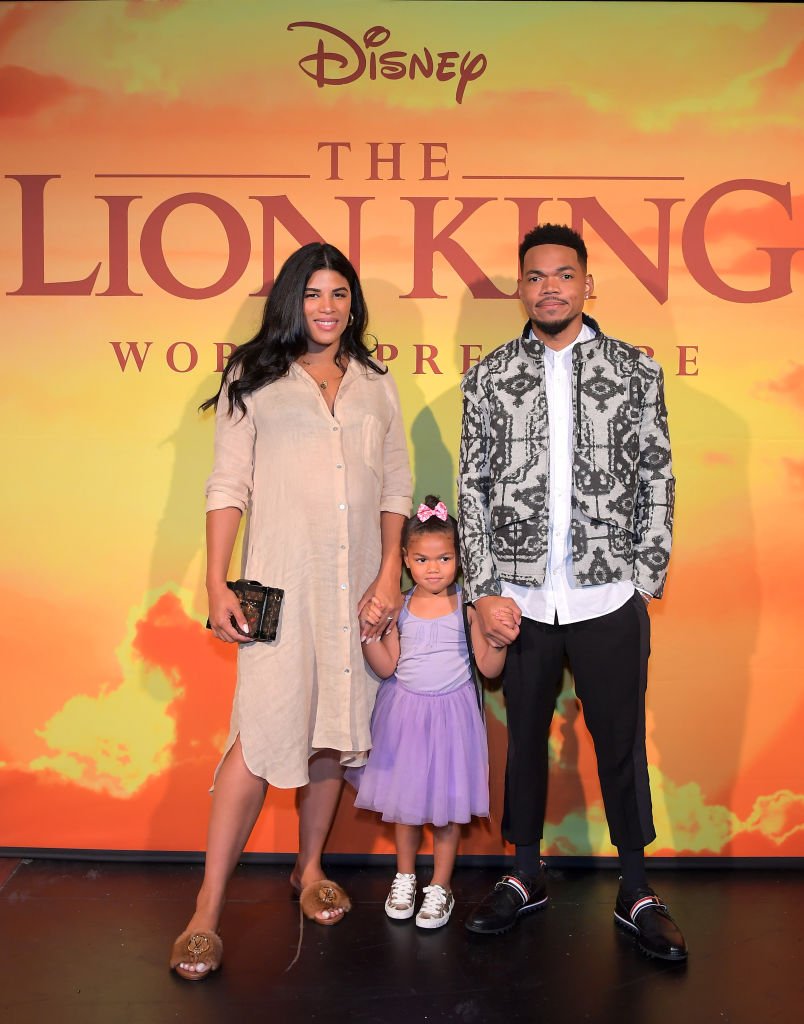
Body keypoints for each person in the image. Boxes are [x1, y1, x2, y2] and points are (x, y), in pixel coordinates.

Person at [169, 242, 412, 980]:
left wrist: (389, 573)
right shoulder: (255, 376)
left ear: (352, 304)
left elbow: (396, 485)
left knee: (334, 731)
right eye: (313, 294)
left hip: (357, 590)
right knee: (258, 731)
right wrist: (216, 582)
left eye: (339, 294)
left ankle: (308, 871)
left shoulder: (374, 381)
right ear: (290, 302)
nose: (327, 307)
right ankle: (206, 909)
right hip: (273, 584)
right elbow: (226, 485)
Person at [458, 223, 687, 961]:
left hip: (607, 595)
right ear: (520, 287)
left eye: (564, 274)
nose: (549, 286)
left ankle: (637, 887)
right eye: (535, 276)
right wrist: (486, 590)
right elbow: (474, 488)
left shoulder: (633, 371)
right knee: (523, 741)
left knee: (618, 742)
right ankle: (525, 874)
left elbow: (656, 473)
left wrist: (644, 574)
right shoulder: (490, 378)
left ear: (588, 283)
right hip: (521, 601)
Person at [349, 495, 505, 929]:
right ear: (405, 560)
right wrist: (368, 635)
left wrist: (498, 640)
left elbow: (489, 670)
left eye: (444, 557)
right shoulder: (399, 605)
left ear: (460, 558)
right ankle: (404, 876)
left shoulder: (468, 608)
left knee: (447, 807)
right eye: (421, 558)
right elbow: (387, 667)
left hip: (453, 718)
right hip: (405, 716)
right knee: (407, 806)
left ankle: (440, 886)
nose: (433, 568)